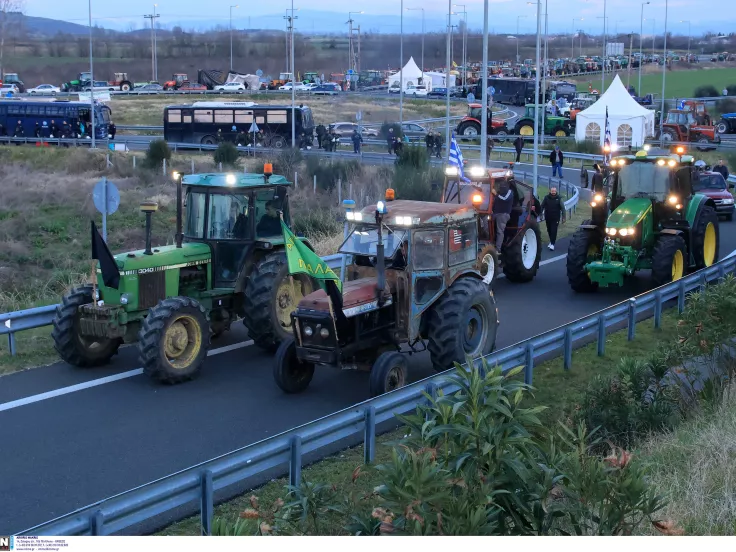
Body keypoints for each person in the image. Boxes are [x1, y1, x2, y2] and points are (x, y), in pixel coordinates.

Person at [491, 180, 514, 254]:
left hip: (503, 214)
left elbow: (505, 199)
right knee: (486, 226)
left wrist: (496, 194)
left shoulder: (509, 192)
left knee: (499, 231)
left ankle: (498, 249)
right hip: (494, 213)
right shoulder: (499, 192)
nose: (500, 186)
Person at [540, 187, 566, 251]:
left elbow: (563, 208)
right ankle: (551, 241)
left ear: (556, 191)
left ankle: (552, 244)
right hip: (548, 217)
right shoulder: (546, 198)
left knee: (554, 230)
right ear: (550, 191)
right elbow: (542, 206)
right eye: (552, 191)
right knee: (549, 230)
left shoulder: (559, 198)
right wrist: (541, 214)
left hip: (556, 217)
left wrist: (563, 217)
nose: (553, 192)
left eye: (554, 191)